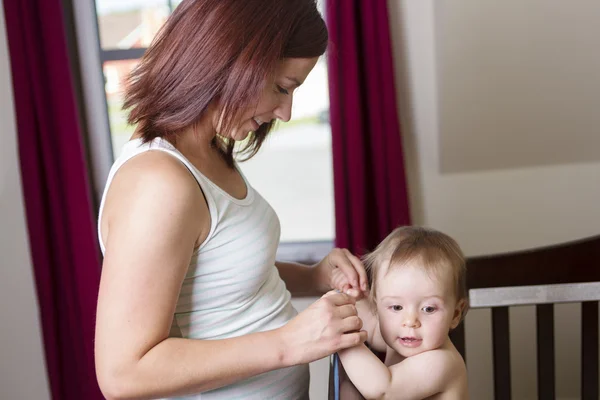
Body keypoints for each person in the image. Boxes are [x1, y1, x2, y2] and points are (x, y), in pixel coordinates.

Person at [94, 1, 370, 399]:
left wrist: (311, 275)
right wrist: (289, 343)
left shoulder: (204, 152)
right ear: (232, 59)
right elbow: (124, 373)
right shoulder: (159, 183)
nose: (286, 112)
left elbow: (213, 275)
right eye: (282, 87)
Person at [337, 226, 469, 400]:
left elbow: (383, 391)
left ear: (455, 314)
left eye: (428, 309)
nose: (410, 321)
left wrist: (343, 337)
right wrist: (352, 294)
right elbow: (373, 327)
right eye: (396, 307)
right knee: (350, 387)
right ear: (377, 307)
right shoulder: (398, 339)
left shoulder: (443, 362)